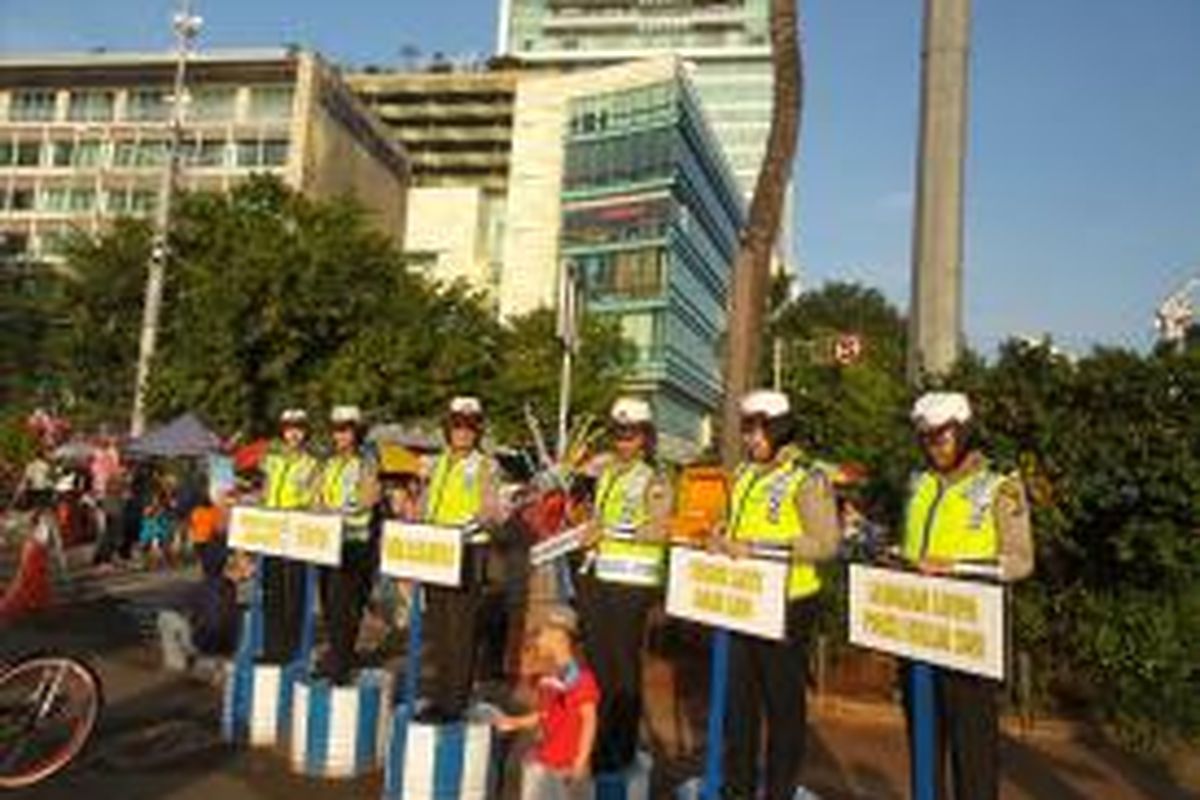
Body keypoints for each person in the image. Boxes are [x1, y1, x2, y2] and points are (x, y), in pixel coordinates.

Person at [901, 391, 1034, 800]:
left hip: (970, 639)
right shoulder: (918, 484)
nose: (933, 448)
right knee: (924, 749)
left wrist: (956, 566)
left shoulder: (1001, 487)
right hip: (918, 635)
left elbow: (1020, 560)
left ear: (963, 434)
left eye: (940, 438)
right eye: (925, 439)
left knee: (973, 757)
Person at [711, 389, 840, 800]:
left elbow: (825, 542)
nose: (750, 438)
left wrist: (757, 547)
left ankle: (780, 791)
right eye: (746, 429)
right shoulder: (746, 473)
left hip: (788, 603)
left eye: (758, 429)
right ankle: (738, 789)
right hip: (744, 601)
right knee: (739, 706)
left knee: (783, 709)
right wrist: (720, 536)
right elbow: (736, 527)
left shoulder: (807, 476)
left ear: (780, 429)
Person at [576, 396, 671, 774]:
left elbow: (659, 529)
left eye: (631, 435)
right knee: (599, 662)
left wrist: (610, 530)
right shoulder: (609, 474)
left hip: (632, 580)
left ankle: (622, 745)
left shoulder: (657, 479)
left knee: (622, 665)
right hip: (600, 576)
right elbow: (599, 519)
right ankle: (599, 739)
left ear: (646, 438)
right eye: (618, 435)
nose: (623, 443)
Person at [419, 395, 502, 721]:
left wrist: (461, 529)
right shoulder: (437, 463)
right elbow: (427, 504)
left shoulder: (485, 465)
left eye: (469, 428)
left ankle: (455, 701)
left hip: (467, 550)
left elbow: (491, 512)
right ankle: (440, 695)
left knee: (460, 627)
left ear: (477, 431)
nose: (462, 433)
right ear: (448, 429)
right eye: (457, 427)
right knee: (439, 626)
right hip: (435, 550)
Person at [494, 604, 599, 800]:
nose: (537, 640)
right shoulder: (547, 678)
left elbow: (589, 722)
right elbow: (544, 715)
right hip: (549, 762)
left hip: (569, 768)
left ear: (560, 638)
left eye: (542, 634)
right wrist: (514, 722)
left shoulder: (581, 679)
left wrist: (580, 761)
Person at [315, 405, 379, 684]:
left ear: (356, 433)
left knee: (345, 606)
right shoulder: (327, 463)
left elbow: (369, 496)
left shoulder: (367, 461)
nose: (341, 435)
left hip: (354, 543)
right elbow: (315, 495)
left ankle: (340, 665)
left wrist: (340, 511)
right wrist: (318, 512)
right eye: (337, 430)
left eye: (346, 430)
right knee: (329, 604)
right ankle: (337, 655)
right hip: (326, 542)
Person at [258, 408, 319, 665]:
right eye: (288, 428)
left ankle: (291, 649)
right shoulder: (271, 460)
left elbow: (315, 499)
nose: (293, 433)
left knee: (294, 591)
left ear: (305, 433)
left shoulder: (312, 463)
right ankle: (272, 648)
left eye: (298, 428)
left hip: (296, 532)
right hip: (272, 532)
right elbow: (264, 491)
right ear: (282, 432)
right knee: (272, 591)